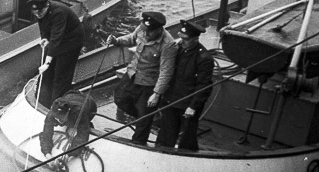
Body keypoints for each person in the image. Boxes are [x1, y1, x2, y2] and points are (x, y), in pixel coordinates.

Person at [107, 11, 177, 145]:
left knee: (144, 118)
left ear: (158, 29)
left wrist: (156, 94)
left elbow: (166, 71)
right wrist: (117, 41)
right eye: (145, 30)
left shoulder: (168, 44)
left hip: (149, 84)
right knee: (120, 98)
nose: (146, 34)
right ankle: (147, 117)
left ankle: (139, 142)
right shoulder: (143, 29)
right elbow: (132, 38)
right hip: (132, 74)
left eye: (150, 32)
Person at [155, 20, 214, 151]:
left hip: (188, 103)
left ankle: (188, 156)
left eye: (186, 39)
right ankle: (161, 152)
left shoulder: (204, 58)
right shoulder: (178, 49)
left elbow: (204, 85)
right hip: (172, 98)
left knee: (188, 135)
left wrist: (193, 106)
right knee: (166, 133)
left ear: (195, 39)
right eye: (181, 38)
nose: (182, 42)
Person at [28, 0, 85, 108]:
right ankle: (43, 102)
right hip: (57, 40)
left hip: (71, 42)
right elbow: (43, 25)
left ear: (47, 6)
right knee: (47, 73)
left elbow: (56, 38)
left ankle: (57, 107)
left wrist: (47, 62)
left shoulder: (59, 12)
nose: (38, 15)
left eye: (40, 13)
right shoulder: (41, 12)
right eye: (36, 14)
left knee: (61, 75)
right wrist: (44, 38)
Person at [39, 90, 97, 158]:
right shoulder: (51, 114)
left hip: (89, 104)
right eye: (57, 118)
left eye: (62, 118)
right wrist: (47, 154)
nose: (59, 121)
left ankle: (85, 122)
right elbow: (46, 134)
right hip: (70, 95)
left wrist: (69, 154)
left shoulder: (78, 113)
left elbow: (82, 136)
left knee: (84, 126)